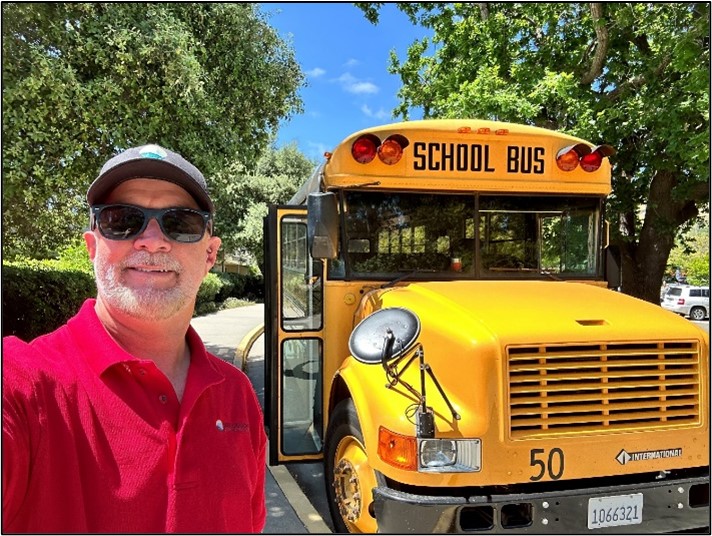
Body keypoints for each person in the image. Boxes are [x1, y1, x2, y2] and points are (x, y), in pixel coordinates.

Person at [2, 144, 266, 533]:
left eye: (181, 223)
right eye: (123, 220)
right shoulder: (23, 384)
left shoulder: (238, 395)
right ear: (93, 247)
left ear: (210, 255)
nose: (152, 240)